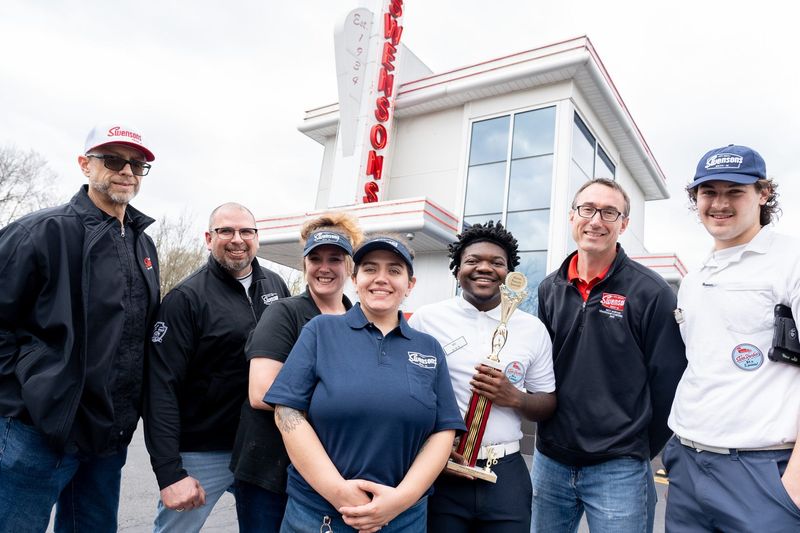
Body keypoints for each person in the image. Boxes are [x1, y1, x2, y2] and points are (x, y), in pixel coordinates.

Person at [0, 124, 160, 531]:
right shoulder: (38, 233)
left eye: (136, 164)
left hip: (108, 437)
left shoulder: (143, 245)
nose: (126, 170)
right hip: (38, 432)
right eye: (113, 160)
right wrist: (29, 393)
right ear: (85, 165)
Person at [266, 235, 465, 532]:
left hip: (404, 519)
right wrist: (339, 492)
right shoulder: (321, 331)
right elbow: (287, 412)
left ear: (410, 284)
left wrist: (401, 499)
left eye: (395, 270)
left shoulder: (429, 348)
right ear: (355, 279)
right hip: (320, 514)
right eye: (370, 269)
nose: (381, 279)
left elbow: (443, 430)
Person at [533, 178, 686, 533]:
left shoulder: (652, 292)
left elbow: (668, 382)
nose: (596, 220)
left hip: (619, 467)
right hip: (550, 460)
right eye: (587, 209)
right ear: (572, 217)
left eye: (609, 212)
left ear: (624, 224)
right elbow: (541, 370)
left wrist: (635, 448)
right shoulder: (549, 288)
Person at [664, 145, 800, 532]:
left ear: (763, 193)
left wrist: (794, 485)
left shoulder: (791, 259)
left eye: (735, 191)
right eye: (709, 192)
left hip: (761, 474)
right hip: (687, 465)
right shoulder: (693, 278)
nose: (720, 203)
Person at [143, 202, 290, 532]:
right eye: (226, 231)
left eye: (246, 231)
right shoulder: (185, 298)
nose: (237, 239)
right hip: (202, 452)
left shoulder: (276, 287)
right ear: (209, 238)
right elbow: (160, 388)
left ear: (257, 237)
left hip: (261, 446)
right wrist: (169, 473)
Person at [409, 221, 557, 532]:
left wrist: (514, 397)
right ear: (457, 268)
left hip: (506, 472)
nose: (484, 268)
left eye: (496, 262)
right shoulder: (427, 319)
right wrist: (429, 447)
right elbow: (409, 393)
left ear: (509, 272)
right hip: (442, 468)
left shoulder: (531, 328)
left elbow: (547, 402)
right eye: (473, 261)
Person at [230, 213, 363, 532]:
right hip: (270, 472)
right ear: (304, 264)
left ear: (350, 266)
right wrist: (340, 401)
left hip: (330, 473)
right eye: (315, 258)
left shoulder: (359, 319)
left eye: (335, 258)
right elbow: (261, 392)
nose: (324, 267)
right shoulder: (284, 314)